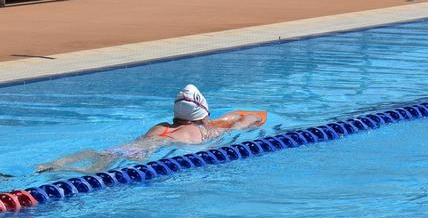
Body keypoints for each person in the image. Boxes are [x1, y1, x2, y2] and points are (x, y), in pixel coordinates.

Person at [35, 85, 266, 174]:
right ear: (204, 115)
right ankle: (66, 172)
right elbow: (249, 119)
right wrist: (244, 119)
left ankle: (52, 165)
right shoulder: (205, 133)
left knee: (105, 153)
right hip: (150, 151)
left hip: (143, 144)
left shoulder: (161, 127)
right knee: (95, 172)